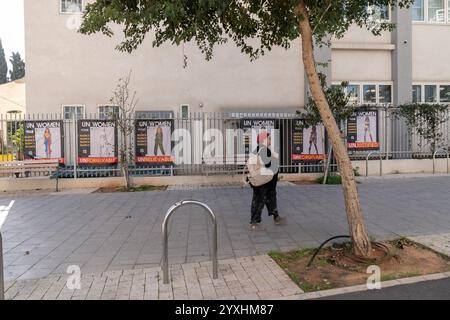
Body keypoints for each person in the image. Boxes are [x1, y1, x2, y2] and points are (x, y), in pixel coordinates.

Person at [245, 131, 285, 231]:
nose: (270, 140)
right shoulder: (263, 150)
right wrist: (275, 158)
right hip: (264, 183)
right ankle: (254, 222)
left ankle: (276, 217)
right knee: (259, 201)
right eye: (269, 138)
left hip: (264, 182)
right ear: (264, 140)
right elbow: (269, 166)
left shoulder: (257, 150)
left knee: (270, 199)